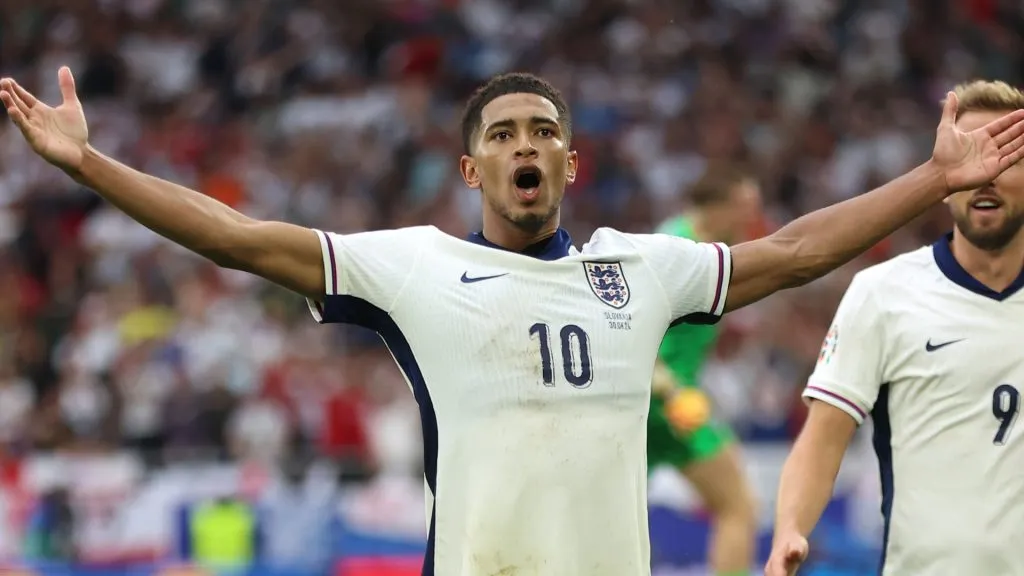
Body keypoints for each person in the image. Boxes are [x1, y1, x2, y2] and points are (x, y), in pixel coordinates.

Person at [3, 69, 1024, 576]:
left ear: (570, 164)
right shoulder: (411, 267)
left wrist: (933, 177)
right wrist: (92, 166)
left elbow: (797, 251)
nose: (524, 145)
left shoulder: (645, 269)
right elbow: (235, 236)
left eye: (544, 131)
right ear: (472, 168)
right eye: (502, 134)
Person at [765, 80, 1024, 576]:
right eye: (971, 154)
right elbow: (823, 437)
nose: (987, 174)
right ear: (945, 185)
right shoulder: (883, 293)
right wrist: (790, 528)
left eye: (1006, 157)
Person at [649, 166, 763, 576]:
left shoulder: (706, 250)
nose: (750, 220)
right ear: (714, 209)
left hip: (646, 401)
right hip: (664, 400)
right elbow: (633, 327)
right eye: (744, 209)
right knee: (739, 505)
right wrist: (671, 391)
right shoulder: (676, 250)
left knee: (612, 520)